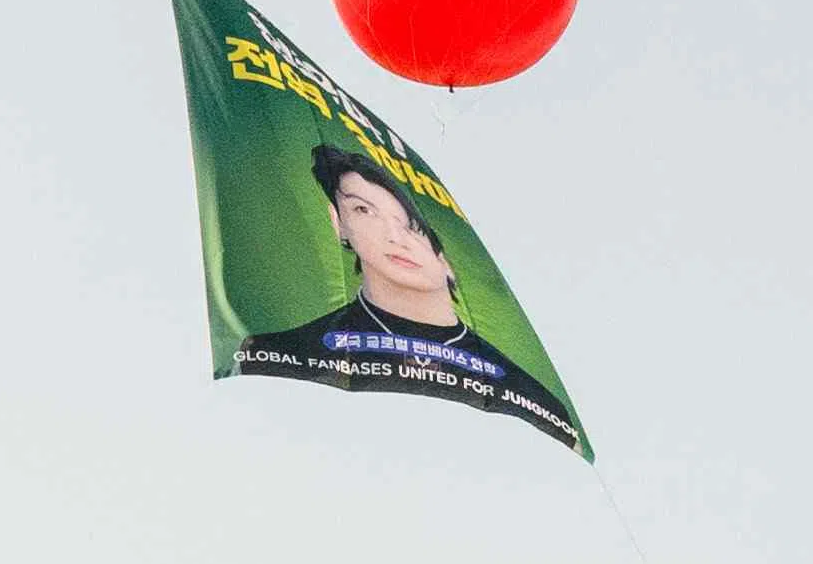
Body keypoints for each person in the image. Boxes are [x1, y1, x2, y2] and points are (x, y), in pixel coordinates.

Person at [230, 143, 578, 432]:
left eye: (413, 227)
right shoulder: (276, 353)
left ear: (448, 261)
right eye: (364, 210)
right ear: (339, 222)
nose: (395, 238)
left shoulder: (531, 397)